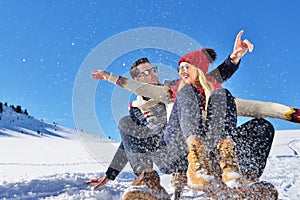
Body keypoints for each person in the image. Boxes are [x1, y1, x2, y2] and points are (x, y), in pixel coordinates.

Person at [88, 30, 253, 199]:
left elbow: (209, 78)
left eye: (153, 70)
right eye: (145, 73)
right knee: (126, 123)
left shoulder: (175, 87)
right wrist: (110, 174)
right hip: (166, 152)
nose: (152, 74)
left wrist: (233, 59)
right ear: (136, 80)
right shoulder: (137, 107)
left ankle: (239, 183)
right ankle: (148, 182)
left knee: (191, 92)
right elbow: (128, 140)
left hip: (190, 142)